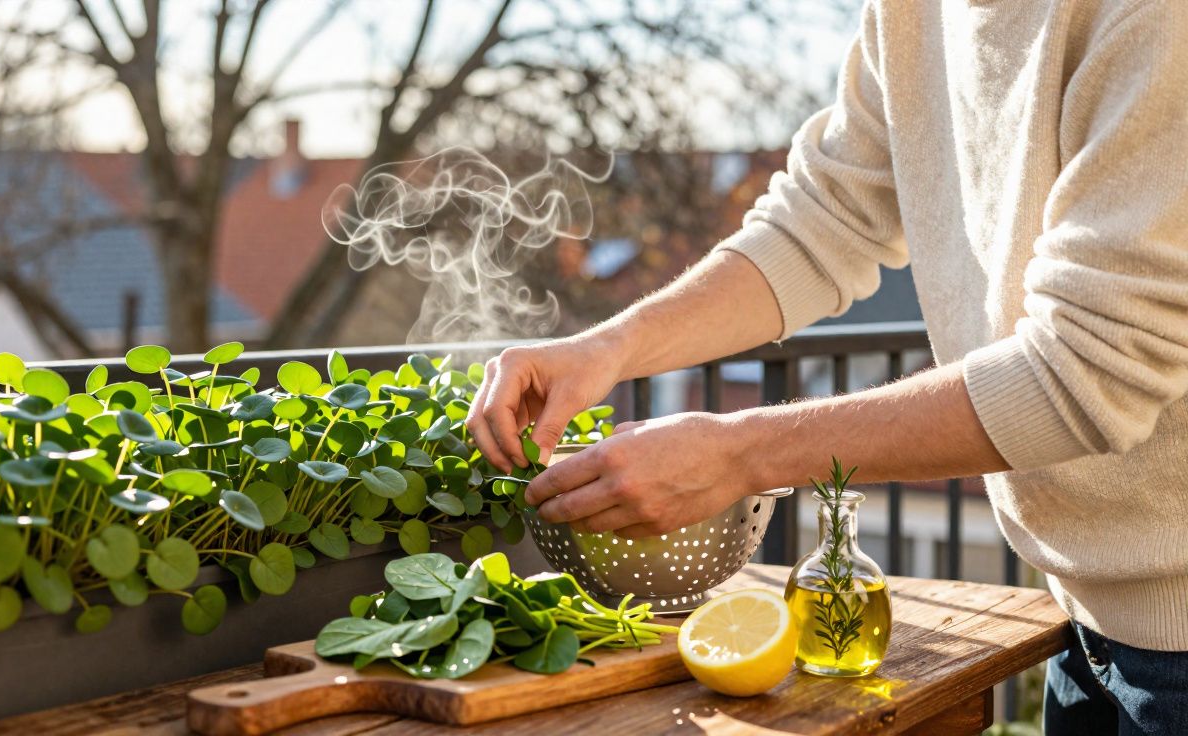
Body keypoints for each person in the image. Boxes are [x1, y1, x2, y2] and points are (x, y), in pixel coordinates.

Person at [465, 1, 1188, 733]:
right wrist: (605, 349)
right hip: (1090, 617)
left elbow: (1092, 369)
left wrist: (737, 454)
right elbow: (822, 222)